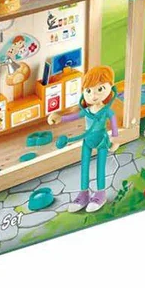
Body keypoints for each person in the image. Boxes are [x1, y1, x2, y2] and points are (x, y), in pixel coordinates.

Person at [48, 65, 119, 213]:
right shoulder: (86, 111)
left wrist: (114, 139)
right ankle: (83, 194)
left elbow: (114, 126)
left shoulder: (107, 111)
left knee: (100, 167)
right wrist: (59, 118)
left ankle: (100, 194)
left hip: (102, 140)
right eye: (88, 91)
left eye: (100, 89)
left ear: (110, 88)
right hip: (87, 140)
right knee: (84, 167)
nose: (93, 95)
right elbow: (72, 117)